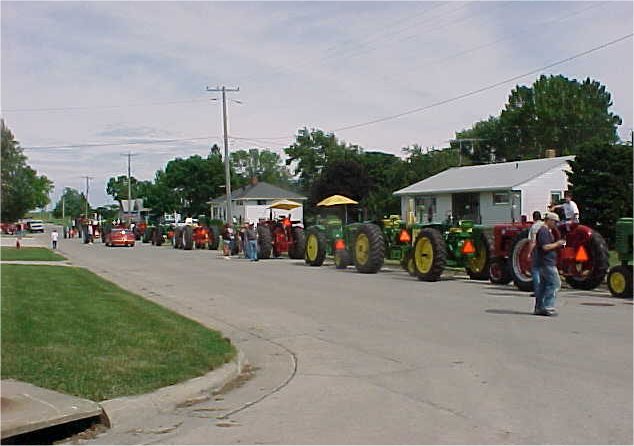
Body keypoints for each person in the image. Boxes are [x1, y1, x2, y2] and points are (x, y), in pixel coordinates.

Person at [533, 212, 566, 316]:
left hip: (544, 262)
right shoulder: (544, 231)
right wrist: (558, 243)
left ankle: (539, 307)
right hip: (547, 263)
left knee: (544, 285)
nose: (556, 224)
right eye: (555, 222)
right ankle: (548, 307)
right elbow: (545, 247)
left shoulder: (547, 231)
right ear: (549, 220)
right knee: (555, 284)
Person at [527, 211, 544, 306]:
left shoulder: (534, 227)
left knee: (536, 272)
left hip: (537, 251)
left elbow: (532, 241)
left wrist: (529, 253)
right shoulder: (544, 225)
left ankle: (537, 292)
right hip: (546, 251)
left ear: (533, 218)